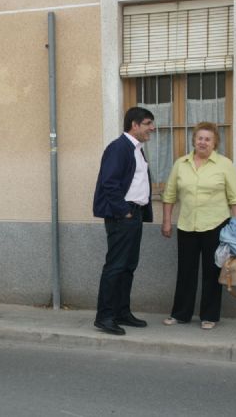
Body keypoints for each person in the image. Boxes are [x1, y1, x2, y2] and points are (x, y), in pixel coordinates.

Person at [161, 121, 236, 330]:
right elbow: (169, 195)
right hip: (187, 225)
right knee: (185, 272)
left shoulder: (224, 164)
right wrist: (167, 220)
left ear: (215, 143)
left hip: (216, 225)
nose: (203, 142)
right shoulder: (181, 164)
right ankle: (180, 314)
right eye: (200, 138)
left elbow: (235, 198)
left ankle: (209, 316)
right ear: (194, 140)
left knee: (212, 272)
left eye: (208, 139)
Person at [92, 107, 155, 335]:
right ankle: (105, 317)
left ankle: (121, 312)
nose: (152, 128)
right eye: (148, 123)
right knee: (116, 266)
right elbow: (109, 182)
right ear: (134, 125)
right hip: (123, 216)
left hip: (134, 215)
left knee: (128, 266)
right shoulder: (118, 148)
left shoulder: (136, 149)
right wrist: (124, 211)